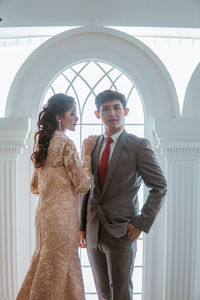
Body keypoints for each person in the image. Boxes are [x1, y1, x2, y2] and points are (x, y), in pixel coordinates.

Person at [79, 90, 167, 300]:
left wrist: (140, 224)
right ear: (97, 114)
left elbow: (160, 186)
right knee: (102, 292)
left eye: (117, 108)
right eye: (106, 109)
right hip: (93, 231)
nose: (112, 113)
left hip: (121, 231)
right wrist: (81, 225)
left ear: (125, 111)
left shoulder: (138, 145)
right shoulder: (92, 145)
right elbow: (84, 188)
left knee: (121, 292)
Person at [16, 93, 97, 300]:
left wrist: (56, 184)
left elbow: (35, 187)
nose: (76, 118)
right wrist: (87, 154)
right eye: (73, 114)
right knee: (60, 266)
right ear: (59, 117)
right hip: (62, 220)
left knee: (46, 262)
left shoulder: (43, 144)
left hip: (43, 217)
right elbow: (83, 185)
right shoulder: (66, 143)